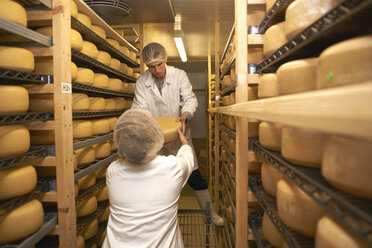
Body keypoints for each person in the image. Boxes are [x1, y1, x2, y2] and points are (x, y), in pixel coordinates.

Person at [131, 42, 224, 226]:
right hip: (156, 140)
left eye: (159, 64)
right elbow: (140, 109)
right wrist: (145, 125)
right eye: (151, 66)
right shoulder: (142, 82)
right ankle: (159, 221)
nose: (156, 70)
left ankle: (210, 215)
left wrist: (186, 115)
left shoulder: (178, 75)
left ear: (165, 60)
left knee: (195, 178)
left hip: (180, 137)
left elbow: (189, 99)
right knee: (157, 181)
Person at [103, 109, 195, 248]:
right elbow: (187, 158)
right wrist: (184, 144)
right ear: (155, 137)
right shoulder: (171, 169)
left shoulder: (113, 171)